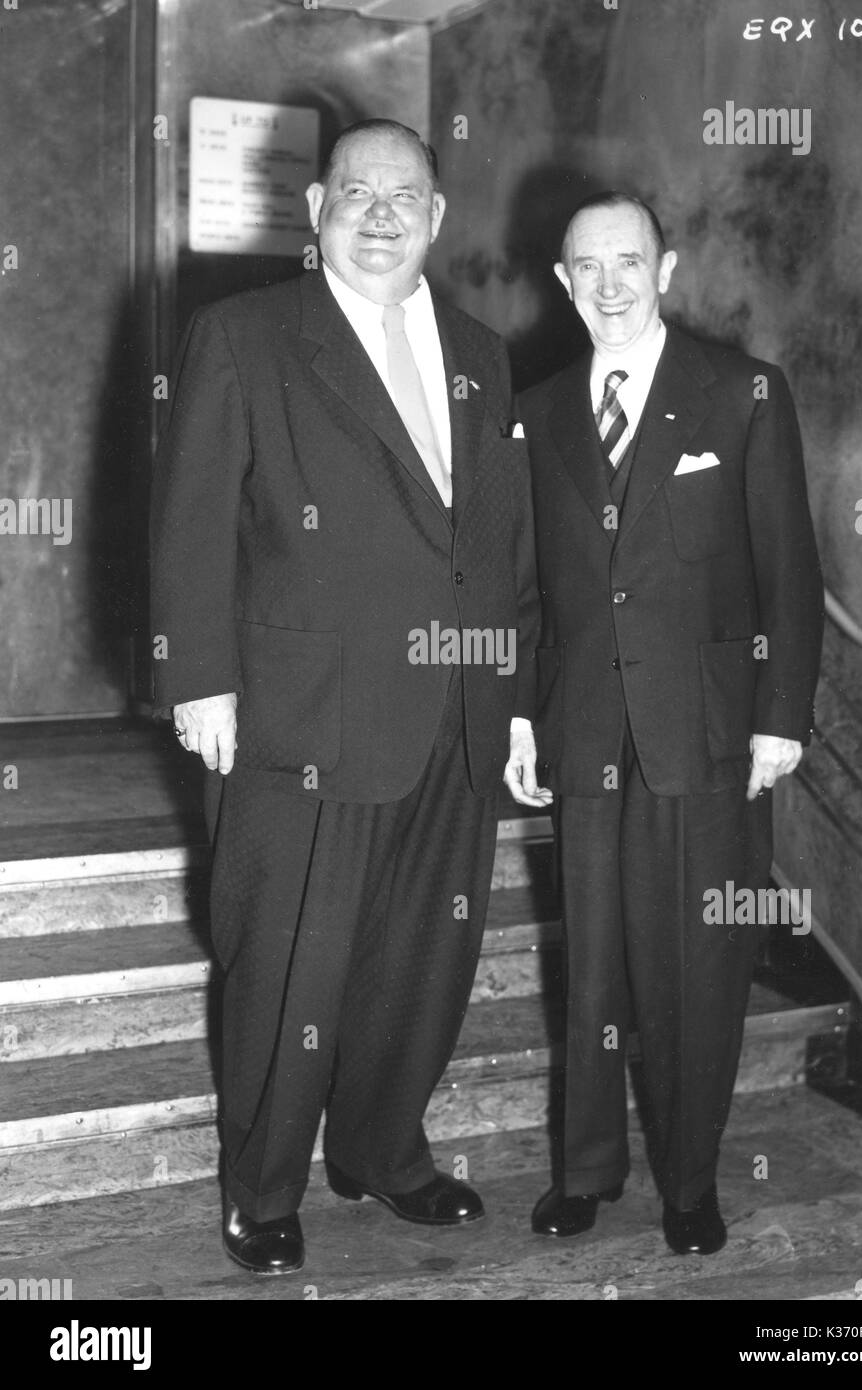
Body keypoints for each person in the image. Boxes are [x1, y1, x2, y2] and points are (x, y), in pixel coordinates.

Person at [149, 119, 541, 1275]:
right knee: (287, 959)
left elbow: (499, 540)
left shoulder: (481, 350)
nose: (381, 213)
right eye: (356, 193)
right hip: (301, 712)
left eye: (405, 195)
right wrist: (199, 679)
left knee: (425, 958)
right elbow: (192, 524)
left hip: (454, 713)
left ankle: (385, 1152)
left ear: (438, 216)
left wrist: (512, 699)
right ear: (315, 207)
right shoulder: (244, 336)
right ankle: (262, 1187)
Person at [518, 192, 824, 1253]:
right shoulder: (539, 409)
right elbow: (528, 590)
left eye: (629, 262)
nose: (609, 284)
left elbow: (790, 572)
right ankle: (585, 1172)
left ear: (668, 268)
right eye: (586, 266)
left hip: (705, 733)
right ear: (563, 281)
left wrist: (782, 716)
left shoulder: (740, 393)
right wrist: (523, 717)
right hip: (587, 733)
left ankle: (690, 1180)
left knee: (698, 965)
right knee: (590, 964)